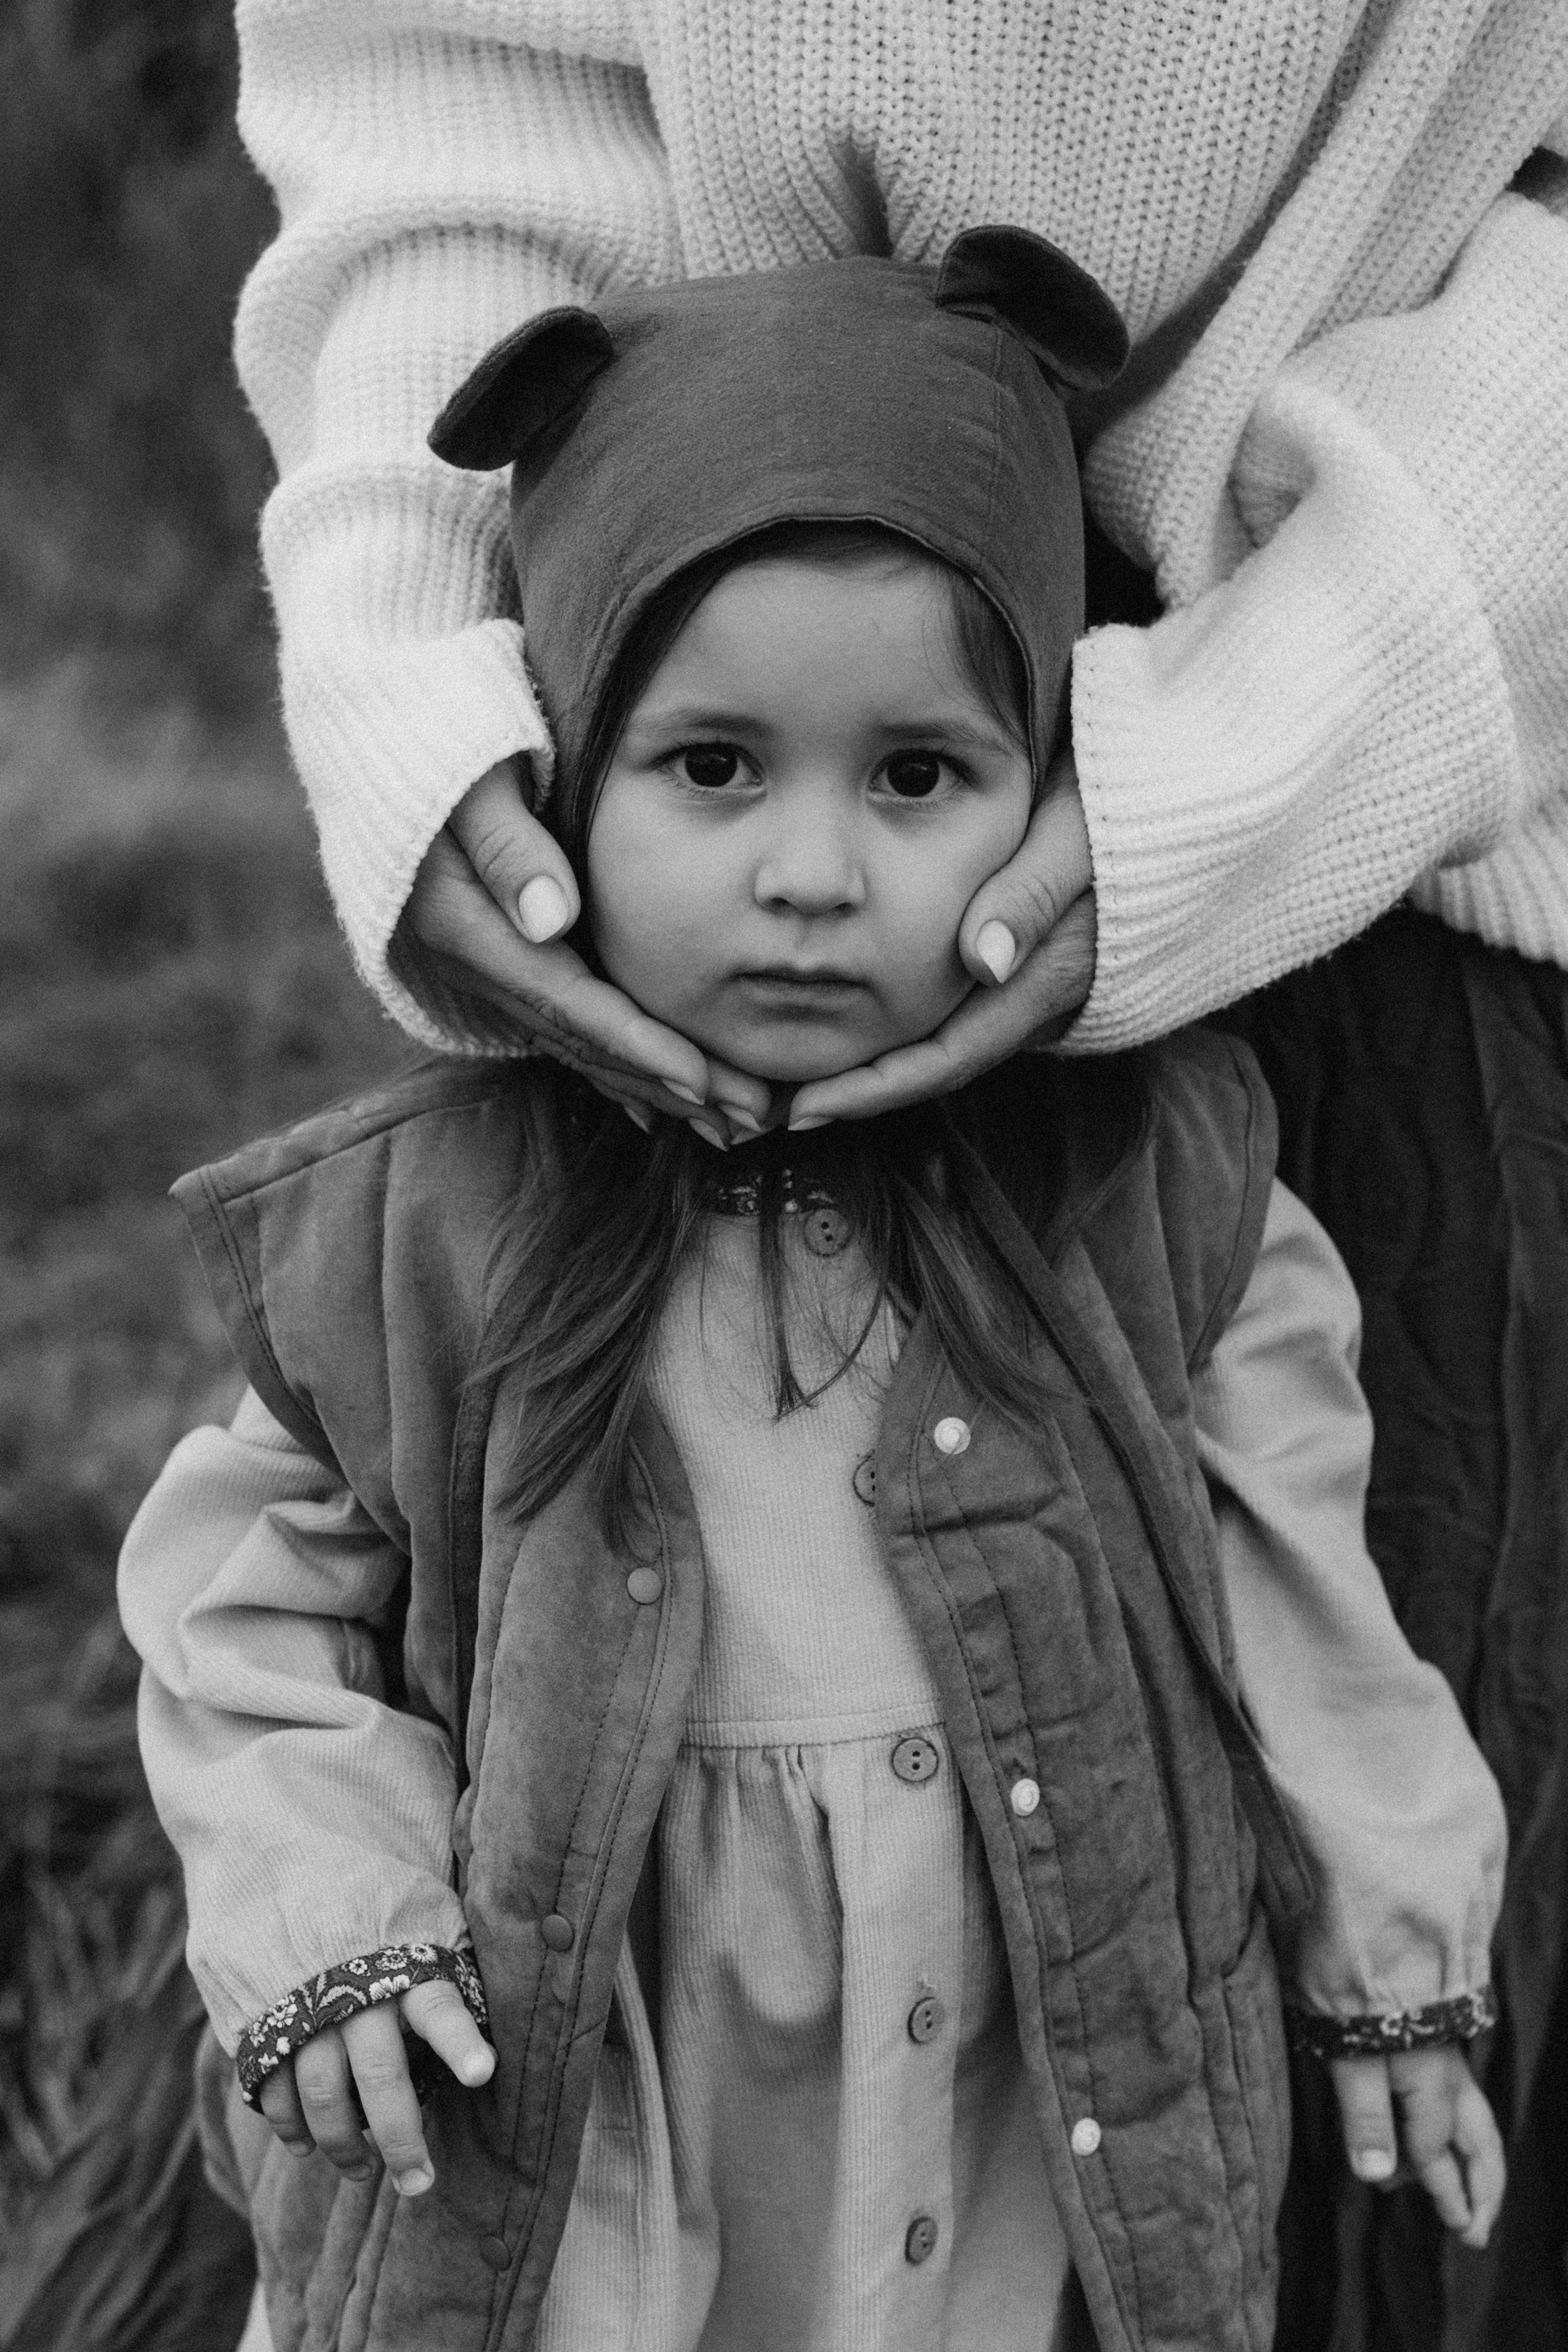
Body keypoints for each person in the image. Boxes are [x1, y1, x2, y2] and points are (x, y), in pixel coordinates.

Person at [123, 243, 1504, 2352]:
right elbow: (237, 1620)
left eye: (917, 778)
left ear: (1047, 788)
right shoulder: (434, 1221)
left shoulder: (1148, 1189)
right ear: (558, 766)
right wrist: (339, 1919)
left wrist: (1395, 1952)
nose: (809, 871)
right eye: (713, 767)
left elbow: (1302, 1588)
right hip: (601, 2116)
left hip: (996, 2087)